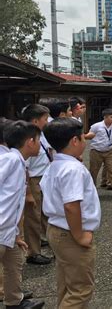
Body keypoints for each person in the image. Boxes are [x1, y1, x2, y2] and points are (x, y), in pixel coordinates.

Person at [41, 118, 102, 307]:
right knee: (81, 289)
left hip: (56, 229)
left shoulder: (54, 165)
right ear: (75, 141)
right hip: (70, 233)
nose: (85, 141)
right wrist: (80, 236)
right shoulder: (73, 169)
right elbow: (71, 205)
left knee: (67, 282)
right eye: (83, 138)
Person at [0, 121, 44, 309]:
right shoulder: (9, 160)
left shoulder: (18, 161)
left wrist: (16, 232)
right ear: (30, 141)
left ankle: (14, 302)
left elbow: (15, 201)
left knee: (14, 264)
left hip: (8, 230)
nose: (41, 145)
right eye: (39, 140)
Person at [21, 104, 53, 266]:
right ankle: (33, 252)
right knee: (33, 217)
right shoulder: (27, 139)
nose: (47, 122)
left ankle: (43, 239)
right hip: (33, 181)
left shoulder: (40, 135)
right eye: (45, 119)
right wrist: (27, 193)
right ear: (35, 121)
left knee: (45, 213)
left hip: (44, 178)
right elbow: (24, 167)